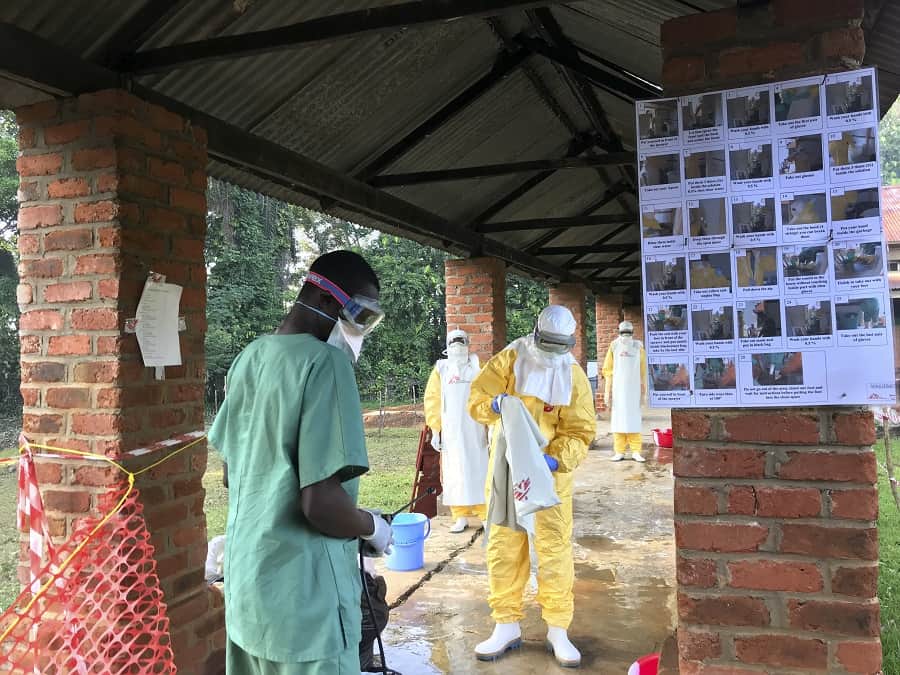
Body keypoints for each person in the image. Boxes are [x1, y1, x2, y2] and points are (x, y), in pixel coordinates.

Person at [208, 250, 393, 674]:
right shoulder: (326, 364)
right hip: (305, 604)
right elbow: (320, 504)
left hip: (249, 588)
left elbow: (232, 474)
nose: (359, 330)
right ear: (327, 300)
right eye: (359, 314)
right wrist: (370, 526)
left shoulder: (250, 357)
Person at [467, 305, 596, 668]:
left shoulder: (573, 376)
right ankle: (506, 624)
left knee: (554, 549)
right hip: (507, 472)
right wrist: (492, 405)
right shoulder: (509, 360)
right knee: (504, 546)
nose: (552, 351)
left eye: (560, 346)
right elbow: (477, 400)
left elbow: (581, 431)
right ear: (536, 334)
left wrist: (555, 459)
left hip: (550, 478)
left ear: (569, 344)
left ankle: (558, 628)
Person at [423, 329, 489, 533]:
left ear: (468, 345)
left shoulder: (478, 366)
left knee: (480, 470)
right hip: (451, 431)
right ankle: (459, 516)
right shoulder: (441, 369)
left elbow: (489, 393)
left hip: (475, 429)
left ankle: (485, 514)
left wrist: (492, 426)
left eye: (461, 342)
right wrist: (435, 430)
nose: (457, 346)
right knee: (454, 473)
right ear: (447, 346)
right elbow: (433, 399)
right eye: (453, 342)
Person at [602, 321, 647, 462]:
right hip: (618, 389)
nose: (625, 336)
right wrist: (607, 391)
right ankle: (619, 451)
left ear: (632, 333)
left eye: (628, 333)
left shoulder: (638, 347)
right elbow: (608, 369)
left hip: (634, 389)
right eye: (623, 333)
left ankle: (636, 451)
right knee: (619, 420)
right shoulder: (614, 346)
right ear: (619, 333)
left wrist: (644, 391)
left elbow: (644, 370)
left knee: (633, 420)